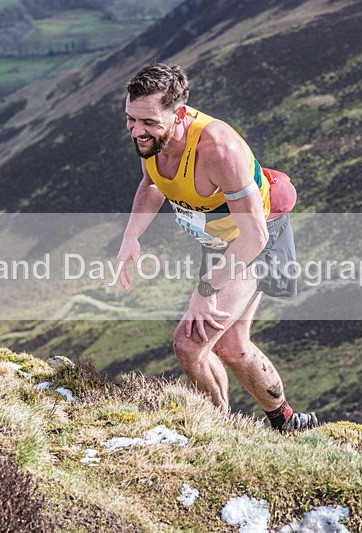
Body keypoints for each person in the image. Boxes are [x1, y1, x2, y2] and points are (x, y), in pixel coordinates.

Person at [116, 62, 317, 433]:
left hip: (257, 239)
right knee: (232, 346)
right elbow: (152, 184)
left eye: (148, 123)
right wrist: (132, 235)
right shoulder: (152, 139)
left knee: (189, 344)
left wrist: (205, 288)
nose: (136, 131)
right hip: (221, 240)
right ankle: (288, 422)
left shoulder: (219, 149)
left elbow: (254, 236)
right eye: (130, 119)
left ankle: (215, 430)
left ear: (178, 115)